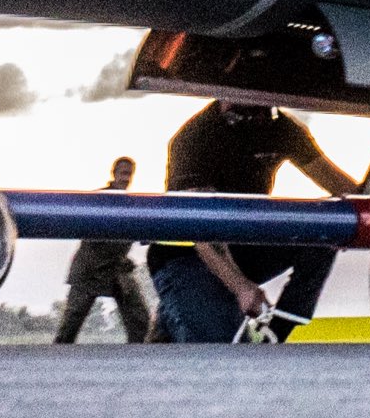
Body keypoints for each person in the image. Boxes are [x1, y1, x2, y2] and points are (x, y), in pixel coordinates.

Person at [147, 99, 359, 345]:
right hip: (187, 257)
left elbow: (344, 188)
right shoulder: (196, 138)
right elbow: (201, 229)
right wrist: (241, 288)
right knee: (222, 350)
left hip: (241, 249)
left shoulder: (281, 127)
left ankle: (280, 331)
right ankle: (180, 307)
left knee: (325, 228)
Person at [52, 156, 154, 344]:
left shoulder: (133, 206)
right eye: (123, 174)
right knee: (71, 323)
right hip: (89, 269)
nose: (126, 179)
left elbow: (145, 235)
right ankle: (56, 363)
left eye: (129, 175)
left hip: (117, 269)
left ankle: (137, 361)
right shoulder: (97, 199)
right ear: (113, 174)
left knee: (140, 321)